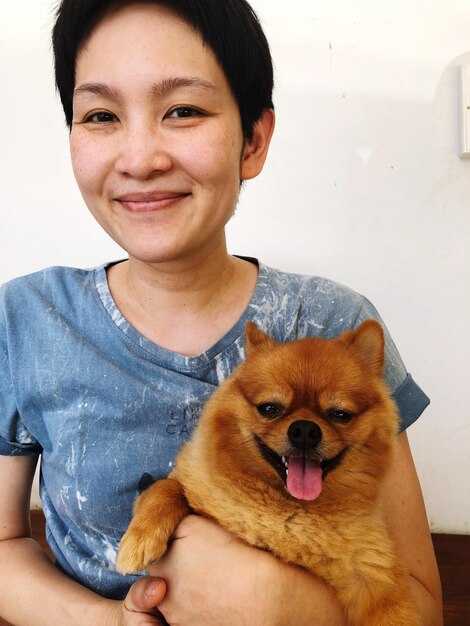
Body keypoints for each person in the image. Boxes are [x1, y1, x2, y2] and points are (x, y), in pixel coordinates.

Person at [0, 1, 442, 624]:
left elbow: (418, 603)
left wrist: (285, 602)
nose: (140, 157)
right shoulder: (26, 320)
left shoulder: (333, 321)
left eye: (183, 110)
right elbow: (4, 544)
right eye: (100, 115)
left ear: (254, 141)